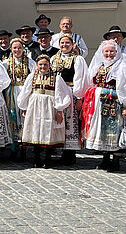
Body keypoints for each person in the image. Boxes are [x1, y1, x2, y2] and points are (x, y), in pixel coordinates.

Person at [82, 40, 126, 172]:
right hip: (100, 104)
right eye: (106, 51)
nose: (109, 54)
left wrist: (125, 105)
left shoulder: (122, 66)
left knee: (115, 129)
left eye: (112, 51)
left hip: (115, 103)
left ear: (117, 52)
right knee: (102, 130)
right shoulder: (99, 65)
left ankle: (116, 160)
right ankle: (105, 159)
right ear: (102, 52)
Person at [17, 55, 71, 168]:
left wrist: (59, 110)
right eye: (40, 64)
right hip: (34, 105)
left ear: (49, 65)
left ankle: (47, 158)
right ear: (37, 65)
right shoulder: (32, 76)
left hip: (49, 105)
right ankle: (36, 158)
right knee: (35, 129)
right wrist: (25, 107)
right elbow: (26, 92)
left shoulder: (56, 77)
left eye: (45, 64)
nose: (43, 67)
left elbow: (61, 94)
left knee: (48, 130)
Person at [50, 33, 88, 165]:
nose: (64, 45)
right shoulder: (54, 58)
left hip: (70, 92)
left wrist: (78, 98)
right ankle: (57, 150)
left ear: (72, 45)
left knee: (70, 122)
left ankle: (70, 153)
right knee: (58, 120)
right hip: (56, 93)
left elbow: (80, 79)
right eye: (62, 43)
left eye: (67, 43)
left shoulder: (77, 59)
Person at [3, 38, 36, 160]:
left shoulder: (30, 62)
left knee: (24, 119)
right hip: (11, 92)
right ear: (11, 49)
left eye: (19, 47)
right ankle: (13, 147)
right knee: (12, 118)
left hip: (25, 92)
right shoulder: (6, 63)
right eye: (14, 48)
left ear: (23, 49)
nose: (17, 50)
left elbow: (34, 76)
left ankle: (24, 148)